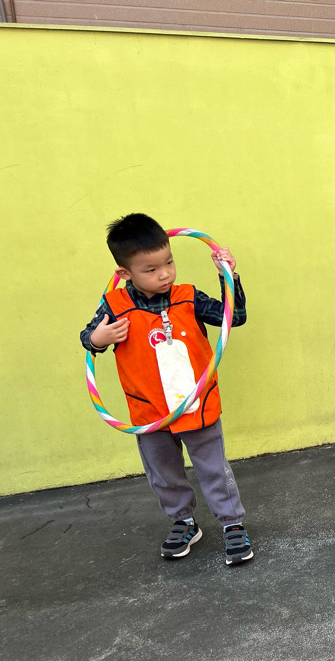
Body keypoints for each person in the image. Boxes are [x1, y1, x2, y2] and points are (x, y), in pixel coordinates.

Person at [79, 213, 253, 565]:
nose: (164, 274)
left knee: (213, 468)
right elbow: (88, 338)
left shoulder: (188, 297)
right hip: (149, 412)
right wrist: (99, 338)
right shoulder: (115, 307)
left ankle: (232, 523)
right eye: (151, 269)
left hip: (196, 406)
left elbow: (233, 317)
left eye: (169, 262)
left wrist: (229, 277)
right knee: (164, 473)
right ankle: (184, 521)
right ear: (124, 273)